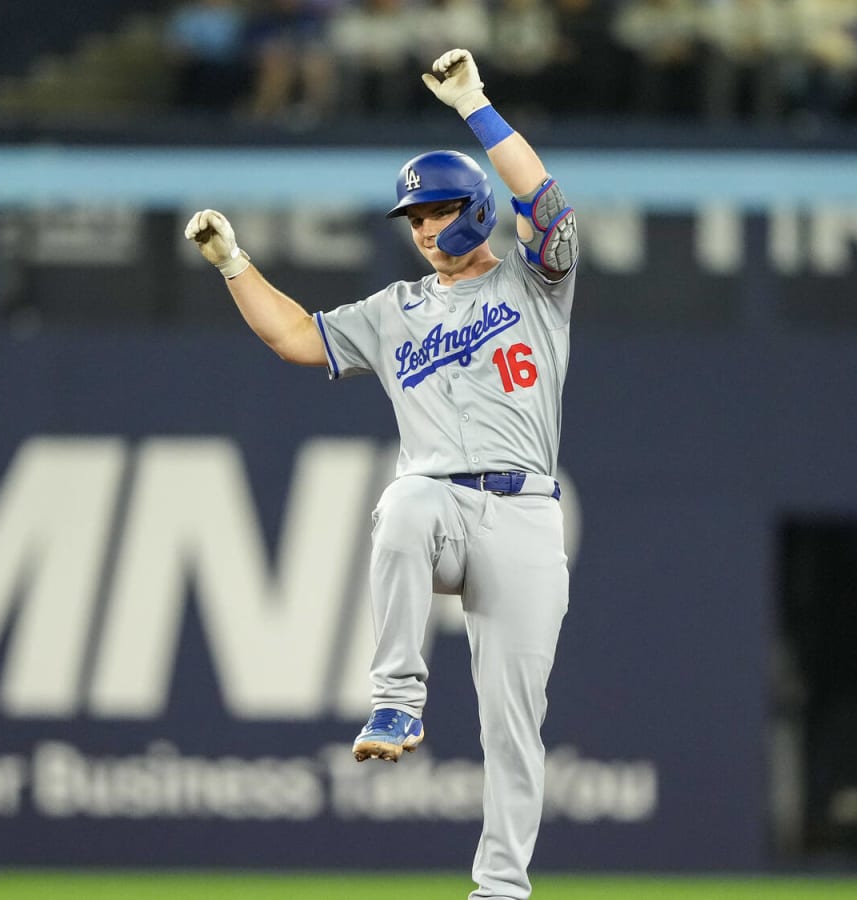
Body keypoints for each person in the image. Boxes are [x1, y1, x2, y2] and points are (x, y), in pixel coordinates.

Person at [186, 48, 578, 900]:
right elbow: (296, 338)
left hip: (525, 515)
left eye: (437, 212)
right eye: (414, 219)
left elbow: (544, 202)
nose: (426, 230)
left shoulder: (536, 283)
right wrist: (233, 266)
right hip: (441, 505)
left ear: (472, 209)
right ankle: (397, 696)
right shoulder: (395, 311)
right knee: (401, 502)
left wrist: (475, 104)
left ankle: (501, 889)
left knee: (515, 724)